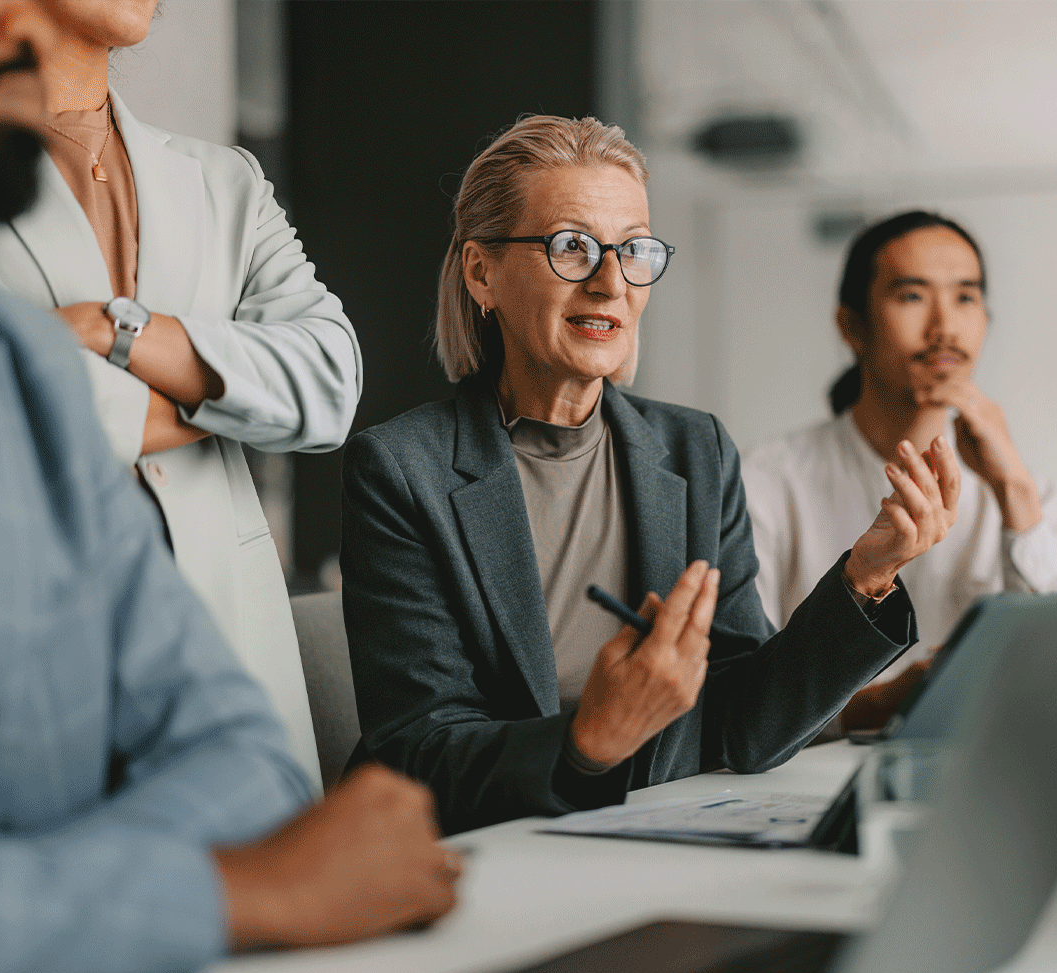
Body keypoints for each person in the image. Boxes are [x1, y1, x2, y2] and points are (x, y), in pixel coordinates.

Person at [0, 3, 455, 973]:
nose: (28, 27)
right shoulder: (15, 366)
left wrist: (123, 331)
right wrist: (235, 892)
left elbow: (250, 765)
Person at [340, 116, 961, 835]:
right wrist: (589, 742)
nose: (611, 283)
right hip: (477, 851)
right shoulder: (400, 469)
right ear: (483, 273)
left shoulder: (695, 450)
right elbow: (421, 753)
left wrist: (866, 577)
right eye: (572, 247)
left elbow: (744, 724)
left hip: (647, 832)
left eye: (633, 250)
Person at [0, 0, 362, 787]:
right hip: (45, 667)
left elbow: (329, 382)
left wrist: (119, 332)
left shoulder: (228, 181)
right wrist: (229, 401)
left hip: (235, 661)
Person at [742, 210, 1057, 730]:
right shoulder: (766, 481)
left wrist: (1013, 489)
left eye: (966, 297)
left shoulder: (1029, 493)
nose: (944, 328)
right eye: (913, 296)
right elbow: (743, 699)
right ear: (851, 325)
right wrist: (881, 703)